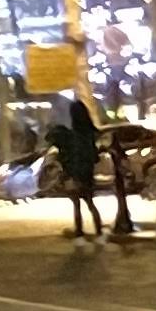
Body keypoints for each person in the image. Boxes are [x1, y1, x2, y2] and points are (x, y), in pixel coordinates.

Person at [52, 86, 104, 240]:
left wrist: (67, 172)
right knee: (90, 203)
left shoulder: (72, 136)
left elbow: (68, 154)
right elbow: (95, 156)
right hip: (87, 173)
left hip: (75, 173)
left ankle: (80, 232)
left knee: (77, 204)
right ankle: (99, 233)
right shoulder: (89, 135)